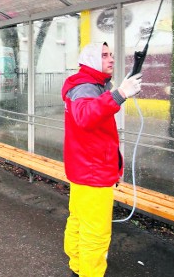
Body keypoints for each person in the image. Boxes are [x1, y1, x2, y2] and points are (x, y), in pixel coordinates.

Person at [61, 42, 142, 277]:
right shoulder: (86, 86)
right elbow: (85, 116)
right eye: (104, 55)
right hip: (93, 172)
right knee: (96, 232)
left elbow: (95, 110)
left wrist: (118, 92)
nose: (111, 59)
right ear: (90, 59)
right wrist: (120, 93)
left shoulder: (90, 84)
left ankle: (77, 265)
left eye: (111, 55)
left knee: (78, 220)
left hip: (82, 168)